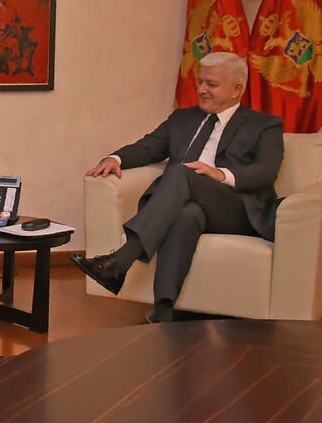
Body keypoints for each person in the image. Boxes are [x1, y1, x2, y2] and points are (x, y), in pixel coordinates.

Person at [72, 51, 284, 323]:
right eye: (200, 82)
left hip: (237, 209)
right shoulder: (183, 118)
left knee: (181, 172)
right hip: (188, 202)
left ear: (236, 89)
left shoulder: (264, 125)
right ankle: (163, 313)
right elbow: (148, 147)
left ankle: (121, 260)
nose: (202, 89)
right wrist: (115, 159)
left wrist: (220, 174)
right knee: (187, 214)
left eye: (211, 84)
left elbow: (266, 172)